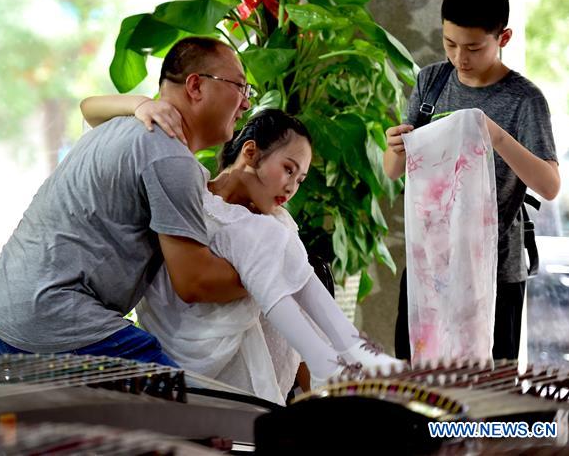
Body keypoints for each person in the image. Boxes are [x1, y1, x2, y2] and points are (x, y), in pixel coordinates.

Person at [81, 100, 402, 402]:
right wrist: (141, 105)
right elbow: (90, 109)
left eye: (301, 180)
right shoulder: (187, 193)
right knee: (266, 235)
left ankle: (342, 352)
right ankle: (338, 355)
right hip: (190, 350)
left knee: (274, 233)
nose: (292, 187)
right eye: (289, 169)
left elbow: (303, 317)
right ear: (250, 152)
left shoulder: (277, 225)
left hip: (260, 371)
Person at [0, 37, 251, 366]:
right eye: (240, 87)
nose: (246, 104)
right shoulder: (170, 158)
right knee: (188, 402)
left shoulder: (120, 126)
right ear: (195, 86)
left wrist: (139, 104)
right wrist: (272, 274)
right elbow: (195, 282)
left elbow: (89, 108)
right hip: (47, 320)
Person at [385, 0, 560, 361]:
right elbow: (394, 170)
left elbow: (549, 186)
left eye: (474, 48)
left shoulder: (523, 99)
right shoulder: (431, 82)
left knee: (485, 394)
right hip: (429, 268)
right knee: (418, 388)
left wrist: (497, 137)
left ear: (504, 37)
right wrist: (395, 146)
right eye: (450, 44)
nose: (460, 59)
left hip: (495, 274)